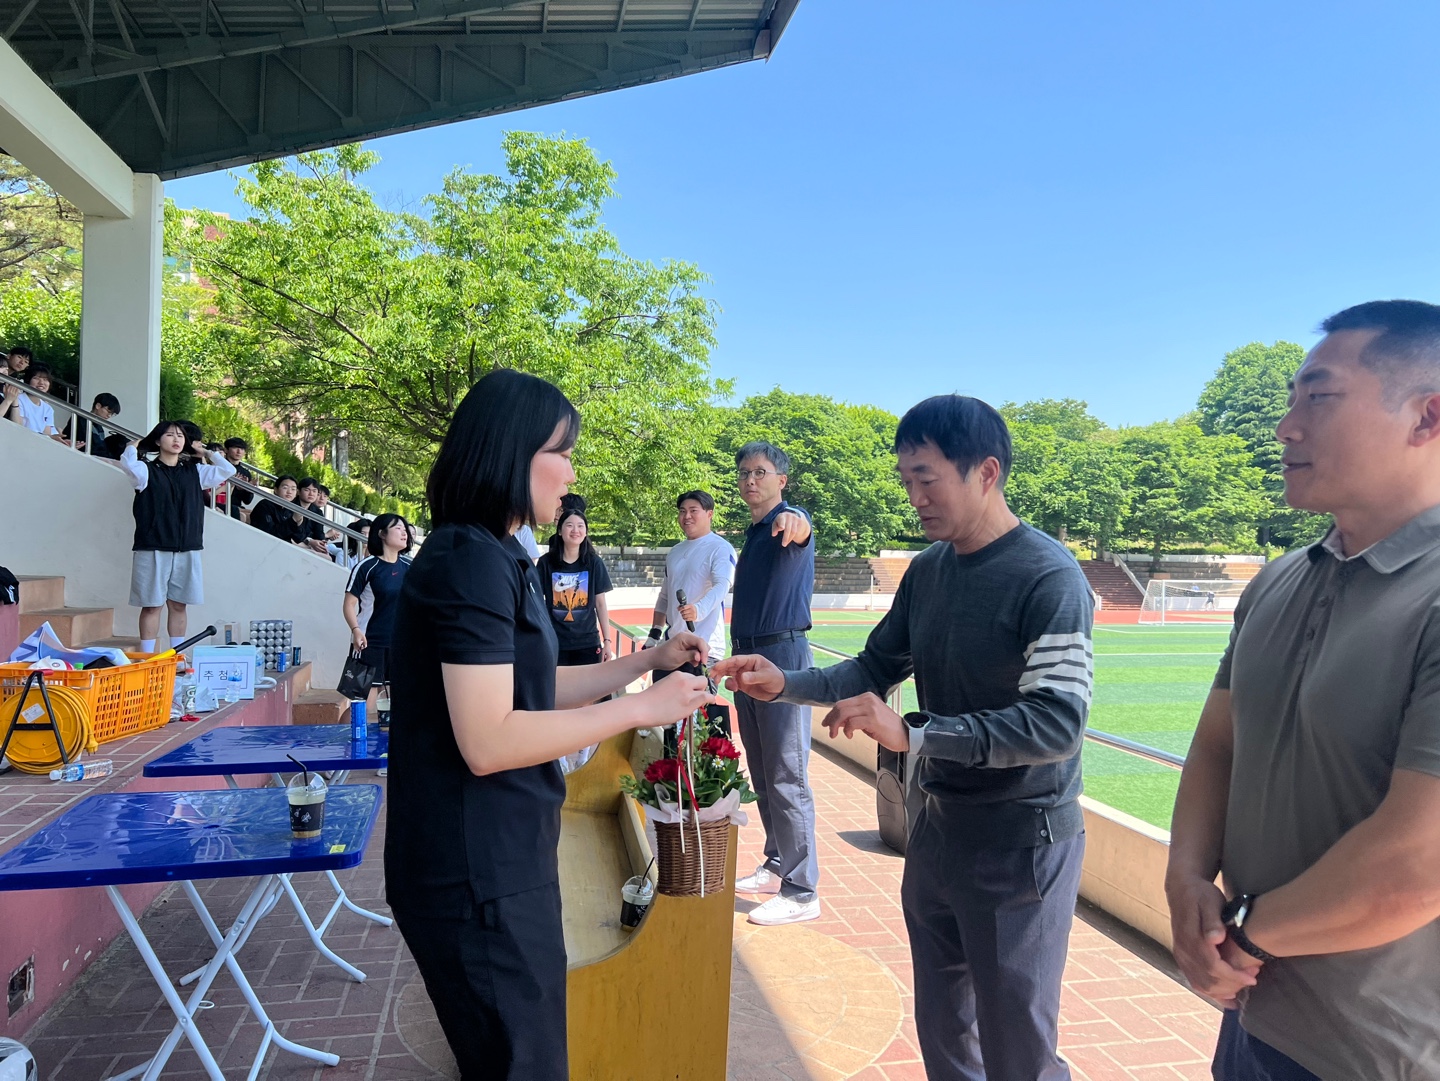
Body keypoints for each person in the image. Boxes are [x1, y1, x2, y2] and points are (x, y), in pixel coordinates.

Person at [714, 395, 1094, 1079]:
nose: (914, 497)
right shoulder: (929, 571)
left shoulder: (1049, 575)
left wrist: (913, 732)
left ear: (986, 472)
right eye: (905, 479)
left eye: (927, 478)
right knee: (944, 1029)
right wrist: (784, 682)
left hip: (1022, 843)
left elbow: (1057, 724)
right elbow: (873, 667)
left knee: (1018, 1046)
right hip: (938, 829)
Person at [384, 368, 712, 1080]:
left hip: (504, 856)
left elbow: (531, 688)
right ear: (511, 451)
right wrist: (641, 708)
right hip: (475, 872)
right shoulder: (469, 560)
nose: (570, 473)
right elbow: (488, 739)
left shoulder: (500, 554)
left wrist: (646, 662)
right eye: (560, 452)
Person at [1166, 300, 1440, 1081]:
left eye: (1318, 398)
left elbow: (1416, 866)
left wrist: (1241, 935)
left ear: (1427, 417)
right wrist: (1185, 878)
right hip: (1253, 1018)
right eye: (1291, 401)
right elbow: (1219, 744)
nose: (1286, 427)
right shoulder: (1277, 582)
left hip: (1380, 1052)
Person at [724, 440, 821, 926]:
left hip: (782, 657)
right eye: (744, 472)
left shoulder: (786, 523)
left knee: (787, 772)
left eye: (760, 472)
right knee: (762, 770)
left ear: (781, 480)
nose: (750, 479)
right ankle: (778, 860)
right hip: (749, 658)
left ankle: (802, 891)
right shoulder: (755, 533)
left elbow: (799, 526)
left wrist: (796, 519)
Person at [118, 421, 236, 653]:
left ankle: (177, 655)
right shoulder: (146, 470)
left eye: (180, 436)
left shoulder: (195, 472)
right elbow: (128, 465)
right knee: (152, 606)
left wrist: (206, 452)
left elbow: (227, 470)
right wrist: (133, 446)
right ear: (158, 440)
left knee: (179, 605)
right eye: (170, 435)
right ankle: (147, 657)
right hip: (153, 546)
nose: (176, 439)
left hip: (187, 547)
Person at [646, 489, 738, 741]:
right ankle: (667, 765)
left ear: (709, 514)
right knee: (666, 721)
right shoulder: (675, 551)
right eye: (682, 511)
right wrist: (654, 634)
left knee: (698, 726)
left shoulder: (720, 548)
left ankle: (703, 766)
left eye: (693, 511)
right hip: (672, 646)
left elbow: (722, 584)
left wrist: (698, 609)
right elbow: (665, 595)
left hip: (704, 649)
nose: (686, 516)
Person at [344, 512, 413, 714]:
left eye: (405, 529)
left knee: (399, 707)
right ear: (382, 534)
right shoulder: (367, 567)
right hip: (368, 644)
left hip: (400, 646)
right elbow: (349, 604)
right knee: (361, 706)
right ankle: (341, 736)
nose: (404, 533)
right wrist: (356, 630)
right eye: (398, 528)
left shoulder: (410, 567)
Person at [536, 506, 614, 667]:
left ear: (585, 532)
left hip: (587, 643)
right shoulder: (545, 563)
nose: (575, 530)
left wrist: (607, 641)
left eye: (580, 526)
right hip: (555, 641)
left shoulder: (594, 563)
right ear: (560, 531)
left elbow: (600, 604)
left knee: (589, 683)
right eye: (569, 525)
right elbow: (536, 602)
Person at [3, 365, 69, 443]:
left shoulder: (48, 408)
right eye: (36, 378)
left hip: (37, 443)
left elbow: (47, 434)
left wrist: (64, 442)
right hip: (21, 441)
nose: (41, 382)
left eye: (45, 379)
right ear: (28, 381)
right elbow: (17, 426)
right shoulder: (19, 398)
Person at [250, 475, 303, 542]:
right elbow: (270, 533)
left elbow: (299, 539)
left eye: (293, 489)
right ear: (276, 490)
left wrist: (299, 524)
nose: (289, 492)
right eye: (285, 488)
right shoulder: (265, 505)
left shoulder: (291, 510)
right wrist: (293, 521)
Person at [216, 438, 254, 518]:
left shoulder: (245, 473)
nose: (239, 451)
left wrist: (247, 489)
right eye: (235, 447)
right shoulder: (218, 467)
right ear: (226, 450)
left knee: (255, 514)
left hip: (236, 506)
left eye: (242, 449)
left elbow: (247, 501)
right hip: (219, 504)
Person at [292, 477, 330, 556]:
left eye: (314, 491)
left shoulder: (317, 512)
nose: (311, 494)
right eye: (307, 490)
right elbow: (293, 532)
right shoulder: (290, 505)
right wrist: (309, 541)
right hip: (292, 542)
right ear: (298, 491)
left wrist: (320, 544)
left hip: (308, 545)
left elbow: (319, 535)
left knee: (327, 557)